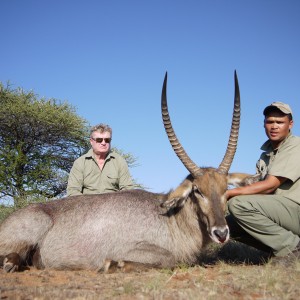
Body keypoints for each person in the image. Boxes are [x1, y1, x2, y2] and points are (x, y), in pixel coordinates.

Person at [226, 101, 300, 266]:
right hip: (282, 212)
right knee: (228, 224)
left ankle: (292, 249)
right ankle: (280, 250)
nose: (274, 126)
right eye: (270, 121)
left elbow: (270, 185)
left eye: (280, 122)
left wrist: (229, 194)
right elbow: (258, 189)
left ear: (290, 124)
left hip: (296, 210)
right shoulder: (265, 156)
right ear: (264, 124)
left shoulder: (296, 145)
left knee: (238, 205)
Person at [67, 123, 134, 196]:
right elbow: (73, 192)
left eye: (107, 140)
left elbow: (128, 191)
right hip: (87, 205)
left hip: (114, 205)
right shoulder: (80, 162)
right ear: (91, 141)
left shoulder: (119, 161)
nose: (103, 143)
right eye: (99, 140)